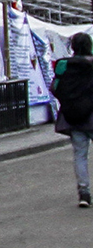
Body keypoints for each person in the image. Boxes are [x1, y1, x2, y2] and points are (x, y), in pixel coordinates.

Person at [51, 32, 93, 207]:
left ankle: (84, 193)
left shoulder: (63, 65)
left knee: (80, 155)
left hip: (74, 115)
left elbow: (55, 87)